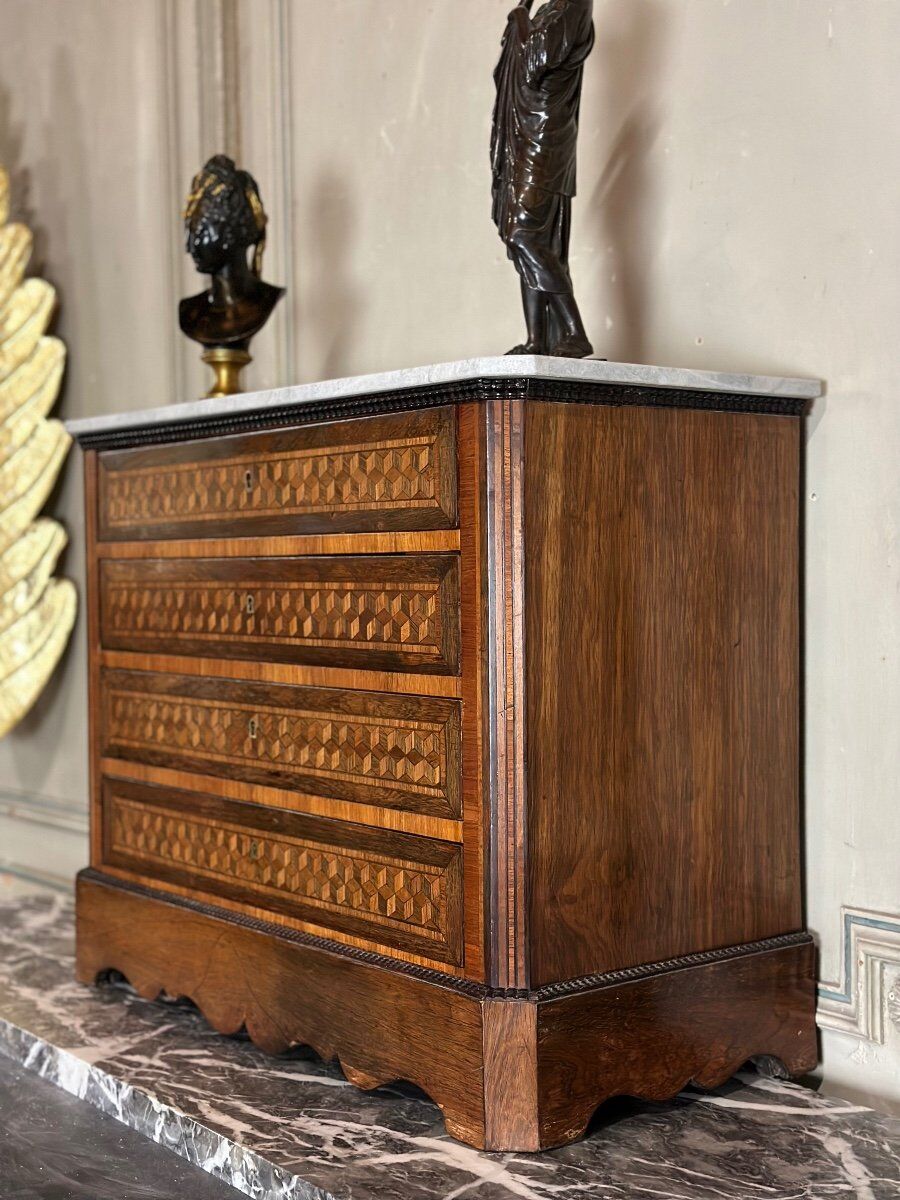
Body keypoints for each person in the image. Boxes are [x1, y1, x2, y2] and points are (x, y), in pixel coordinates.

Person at [491, 0, 594, 357]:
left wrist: (520, 15)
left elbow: (538, 60)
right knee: (525, 242)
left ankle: (574, 331)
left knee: (525, 234)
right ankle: (537, 339)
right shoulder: (553, 8)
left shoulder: (574, 7)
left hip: (544, 141)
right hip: (527, 136)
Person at [179, 155, 284, 350]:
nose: (189, 246)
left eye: (200, 232)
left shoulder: (265, 301)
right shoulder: (190, 311)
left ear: (231, 232)